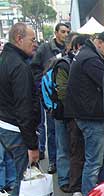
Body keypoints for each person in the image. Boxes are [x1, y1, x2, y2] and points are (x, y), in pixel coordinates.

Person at [0, 23, 61, 196]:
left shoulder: (6, 60)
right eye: (32, 39)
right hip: (16, 129)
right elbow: (24, 108)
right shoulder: (18, 65)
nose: (35, 43)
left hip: (7, 126)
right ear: (18, 38)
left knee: (20, 177)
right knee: (26, 179)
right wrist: (33, 145)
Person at [67, 31, 104, 196]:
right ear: (99, 42)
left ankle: (101, 194)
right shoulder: (90, 59)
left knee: (101, 158)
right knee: (94, 161)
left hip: (87, 114)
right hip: (91, 116)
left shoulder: (86, 54)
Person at [31, 22, 71, 174]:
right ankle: (53, 161)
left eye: (67, 31)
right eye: (63, 31)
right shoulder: (45, 49)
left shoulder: (68, 49)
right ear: (56, 33)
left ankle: (63, 165)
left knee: (64, 133)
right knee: (52, 130)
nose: (65, 34)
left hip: (64, 100)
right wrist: (43, 85)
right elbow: (34, 68)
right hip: (50, 98)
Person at [56, 34, 90, 196]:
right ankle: (71, 185)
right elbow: (62, 92)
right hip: (70, 115)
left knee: (86, 152)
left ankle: (80, 184)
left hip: (84, 114)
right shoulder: (64, 64)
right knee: (72, 150)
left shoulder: (86, 62)